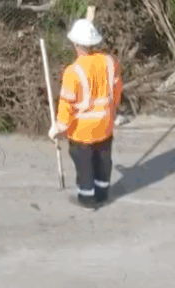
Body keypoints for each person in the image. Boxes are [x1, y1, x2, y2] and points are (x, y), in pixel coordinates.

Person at [49, 17, 122, 209]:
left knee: (85, 165)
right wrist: (112, 112)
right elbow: (116, 92)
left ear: (75, 44)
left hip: (82, 131)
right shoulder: (110, 62)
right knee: (103, 161)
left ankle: (87, 197)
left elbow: (67, 104)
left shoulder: (73, 72)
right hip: (105, 126)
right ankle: (103, 192)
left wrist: (59, 128)